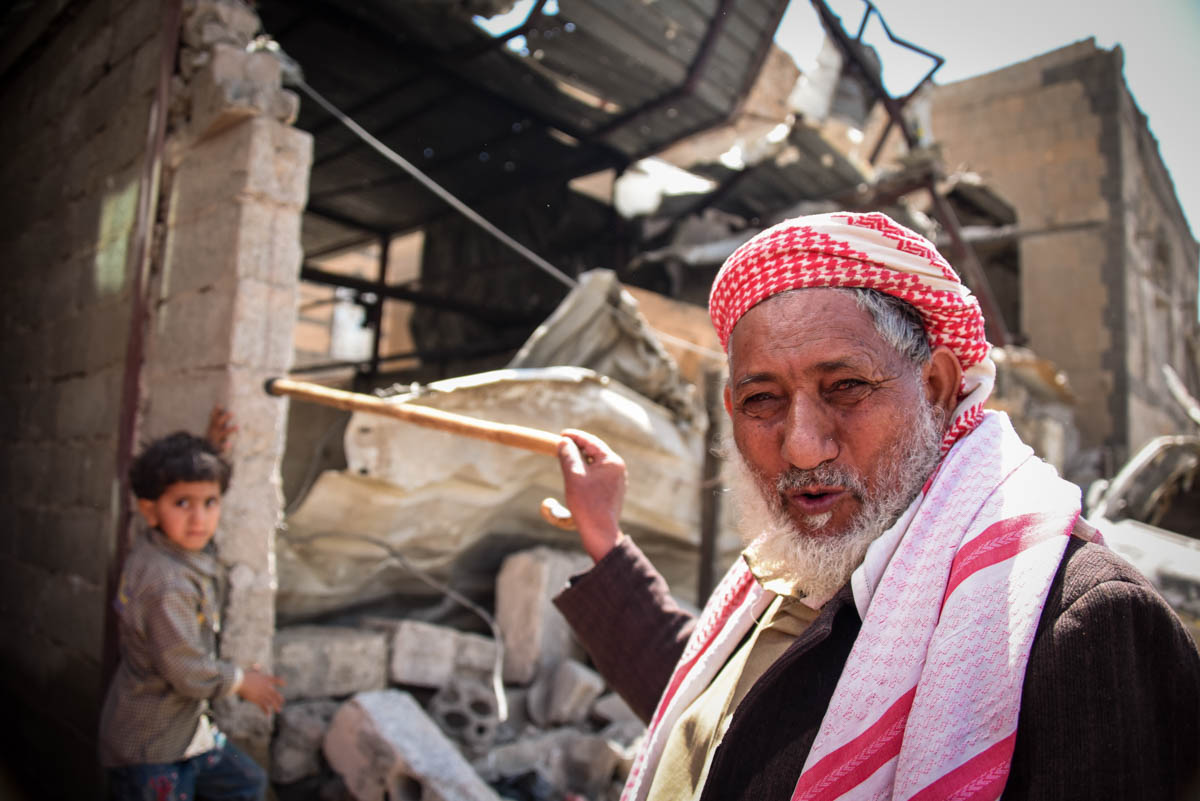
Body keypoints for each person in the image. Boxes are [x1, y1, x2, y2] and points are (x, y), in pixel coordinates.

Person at [551, 212, 1200, 801]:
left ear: (938, 387)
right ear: (731, 411)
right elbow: (719, 715)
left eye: (848, 387)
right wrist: (605, 538)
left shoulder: (1079, 623)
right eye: (763, 401)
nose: (802, 447)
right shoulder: (787, 570)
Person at [99, 421, 284, 801]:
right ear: (150, 512)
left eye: (210, 502)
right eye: (183, 504)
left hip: (185, 733)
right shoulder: (168, 584)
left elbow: (187, 492)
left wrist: (211, 451)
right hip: (152, 748)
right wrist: (240, 682)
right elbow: (185, 670)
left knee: (246, 784)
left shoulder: (171, 549)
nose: (199, 519)